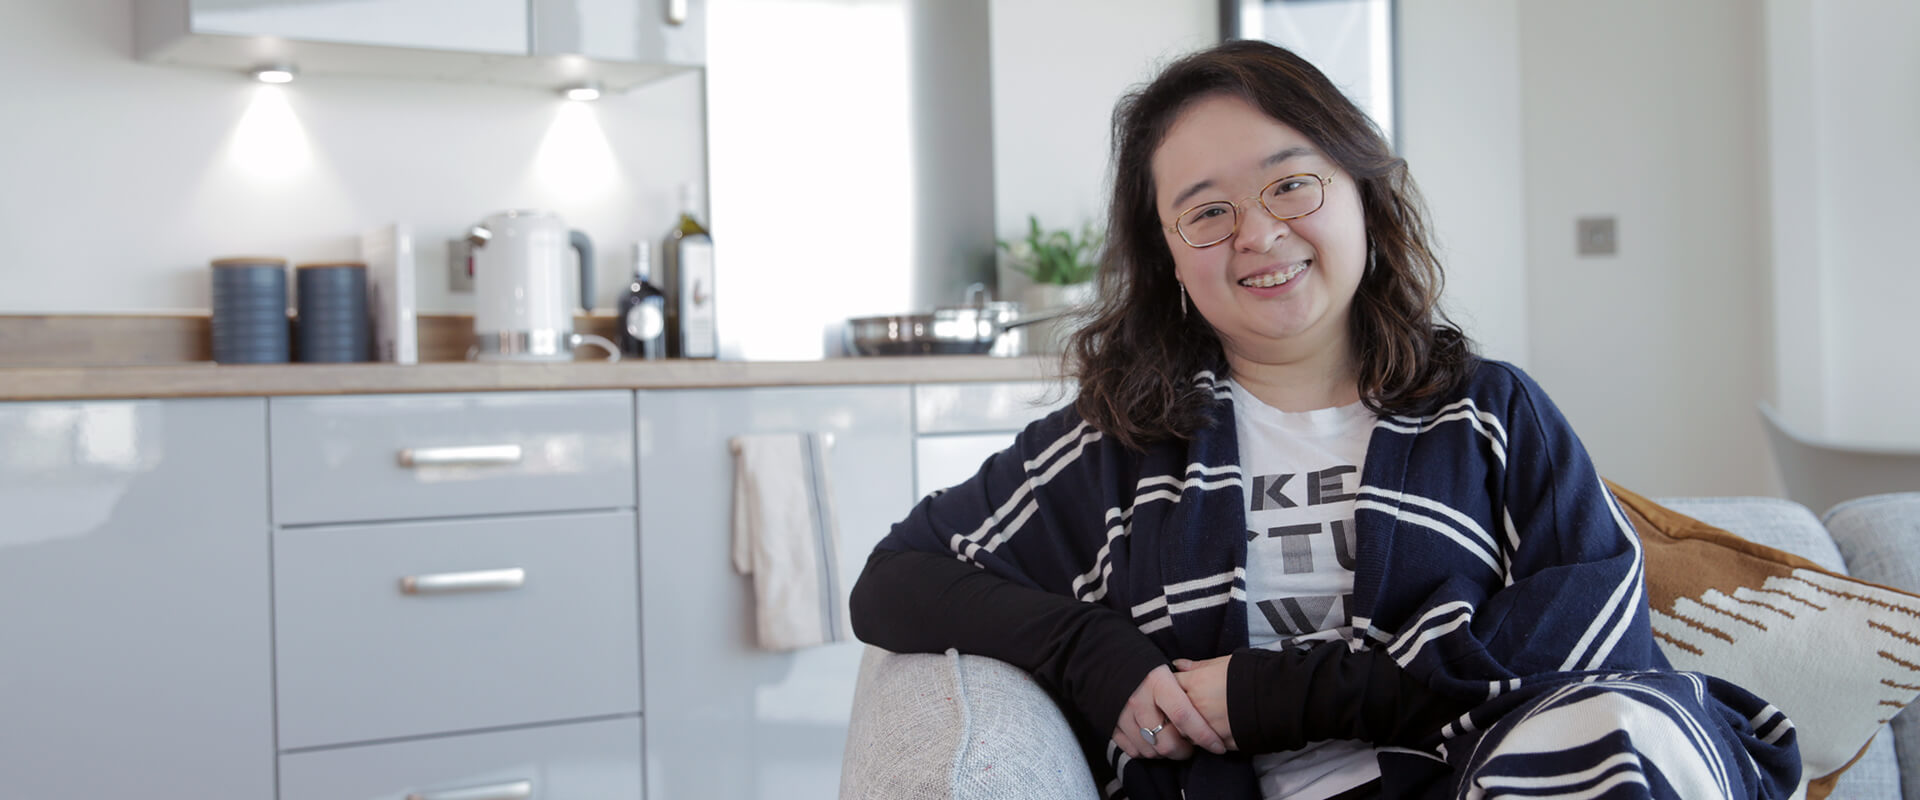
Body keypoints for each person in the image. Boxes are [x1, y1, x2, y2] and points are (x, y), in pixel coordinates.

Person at [849, 40, 1800, 800]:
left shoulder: (1490, 414)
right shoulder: (1118, 445)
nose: (1257, 234)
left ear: (1359, 193)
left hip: (1491, 780)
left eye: (1289, 183)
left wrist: (1286, 696)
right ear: (1170, 261)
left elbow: (1590, 643)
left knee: (1622, 724)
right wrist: (1089, 650)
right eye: (1206, 213)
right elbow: (894, 583)